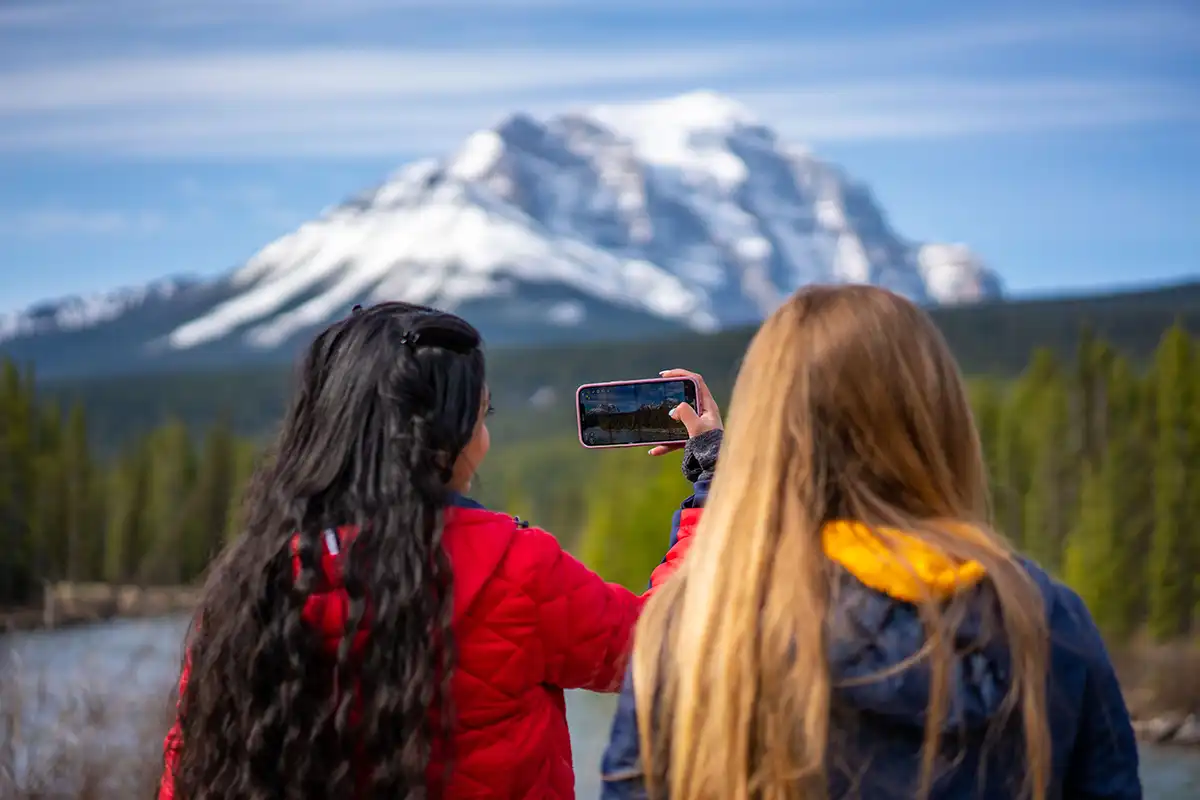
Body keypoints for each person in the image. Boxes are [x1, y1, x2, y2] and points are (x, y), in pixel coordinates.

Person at [156, 302, 721, 800]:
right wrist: (711, 482)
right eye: (481, 416)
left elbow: (187, 770)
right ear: (446, 436)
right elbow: (667, 645)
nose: (484, 438)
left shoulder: (252, 583)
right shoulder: (514, 569)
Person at [600, 285, 1141, 800]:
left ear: (769, 431)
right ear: (938, 421)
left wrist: (721, 476)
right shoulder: (1041, 617)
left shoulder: (700, 625)